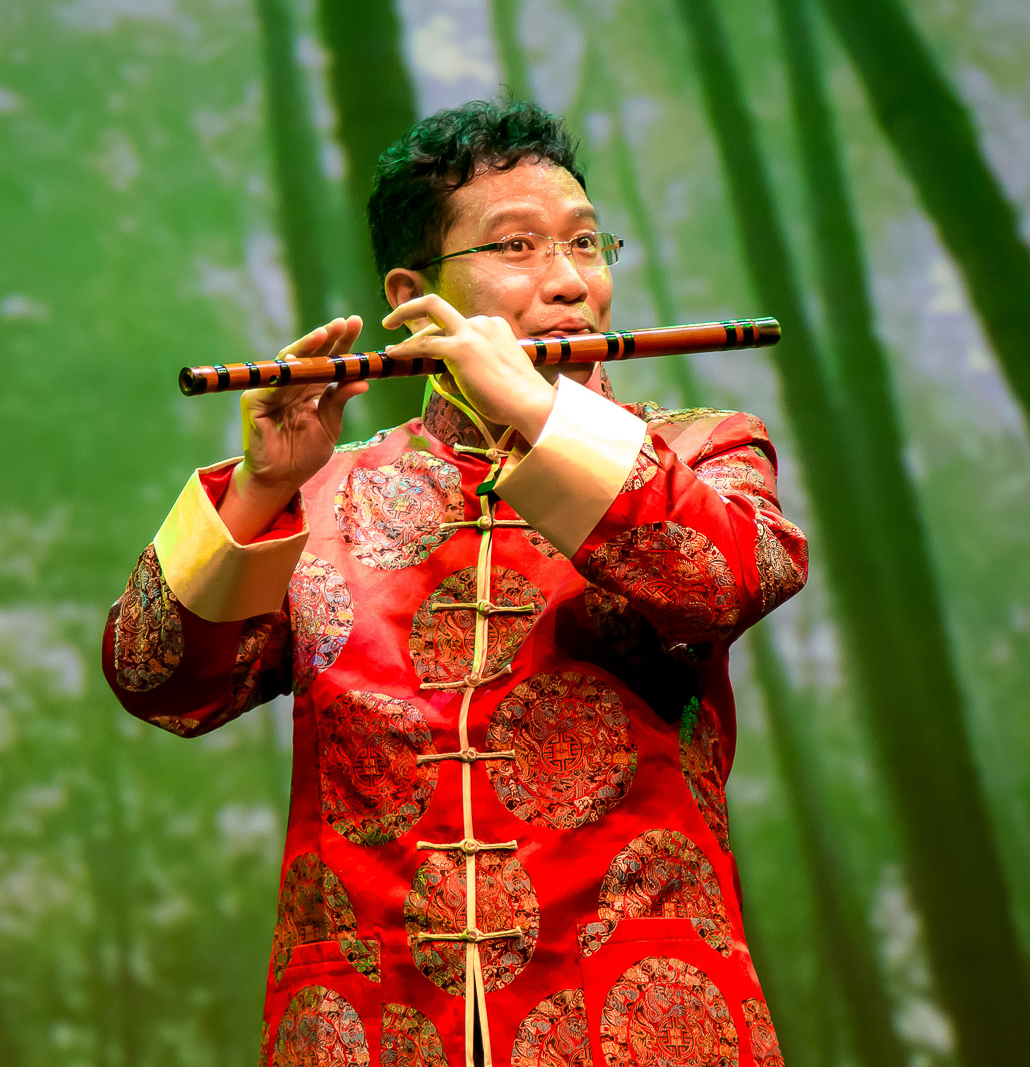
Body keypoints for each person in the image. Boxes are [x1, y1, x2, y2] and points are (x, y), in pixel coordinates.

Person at [102, 100, 806, 1067]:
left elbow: (729, 577)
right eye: (517, 246)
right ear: (412, 293)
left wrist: (533, 410)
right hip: (365, 1024)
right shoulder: (327, 496)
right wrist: (264, 485)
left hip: (638, 1020)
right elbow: (159, 682)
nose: (570, 280)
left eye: (586, 243)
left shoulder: (698, 449)